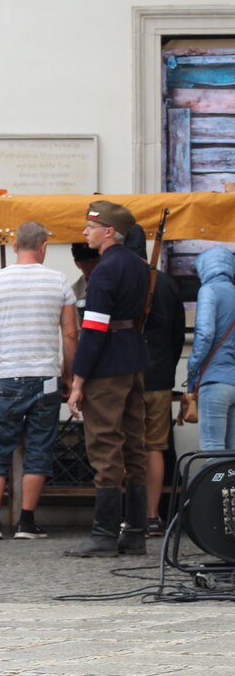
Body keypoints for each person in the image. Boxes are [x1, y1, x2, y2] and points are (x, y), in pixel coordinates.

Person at [0, 221, 78, 540]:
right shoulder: (59, 281)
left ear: (15, 246)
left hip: (9, 378)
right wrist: (68, 374)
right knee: (39, 447)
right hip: (46, 378)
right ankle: (26, 522)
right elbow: (71, 334)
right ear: (44, 247)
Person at [66, 201, 150, 558]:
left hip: (107, 365)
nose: (86, 232)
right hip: (133, 358)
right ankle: (135, 533)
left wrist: (79, 380)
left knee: (105, 446)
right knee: (134, 445)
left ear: (109, 231)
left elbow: (94, 329)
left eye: (91, 227)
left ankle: (104, 535)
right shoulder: (138, 265)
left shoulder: (103, 271)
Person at [124, 227, 184, 536]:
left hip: (125, 374)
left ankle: (130, 515)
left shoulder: (122, 279)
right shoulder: (168, 283)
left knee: (126, 445)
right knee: (156, 446)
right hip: (160, 375)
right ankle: (152, 516)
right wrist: (167, 367)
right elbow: (178, 334)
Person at [187, 246, 235, 453]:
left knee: (213, 448)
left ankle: (217, 478)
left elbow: (205, 334)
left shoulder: (209, 290)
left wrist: (192, 370)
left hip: (214, 381)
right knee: (232, 452)